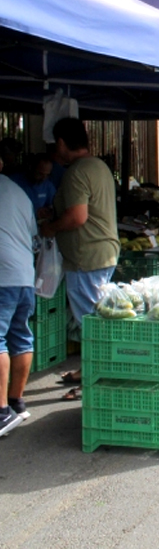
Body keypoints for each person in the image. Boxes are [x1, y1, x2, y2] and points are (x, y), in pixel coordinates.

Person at [39, 118, 120, 401]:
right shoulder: (98, 166)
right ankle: (89, 372)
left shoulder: (76, 172)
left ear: (62, 143)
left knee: (91, 323)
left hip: (87, 257)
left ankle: (94, 383)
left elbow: (78, 217)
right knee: (95, 317)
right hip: (102, 252)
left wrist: (51, 227)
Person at [0, 154, 37, 435]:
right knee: (20, 335)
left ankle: (1, 413)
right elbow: (33, 233)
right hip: (24, 274)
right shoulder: (19, 193)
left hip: (2, 276)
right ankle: (17, 402)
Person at [11, 153, 56, 219]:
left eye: (47, 175)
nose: (43, 178)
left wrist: (46, 211)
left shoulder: (47, 184)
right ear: (31, 167)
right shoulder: (14, 182)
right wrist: (34, 212)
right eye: (40, 174)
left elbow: (54, 204)